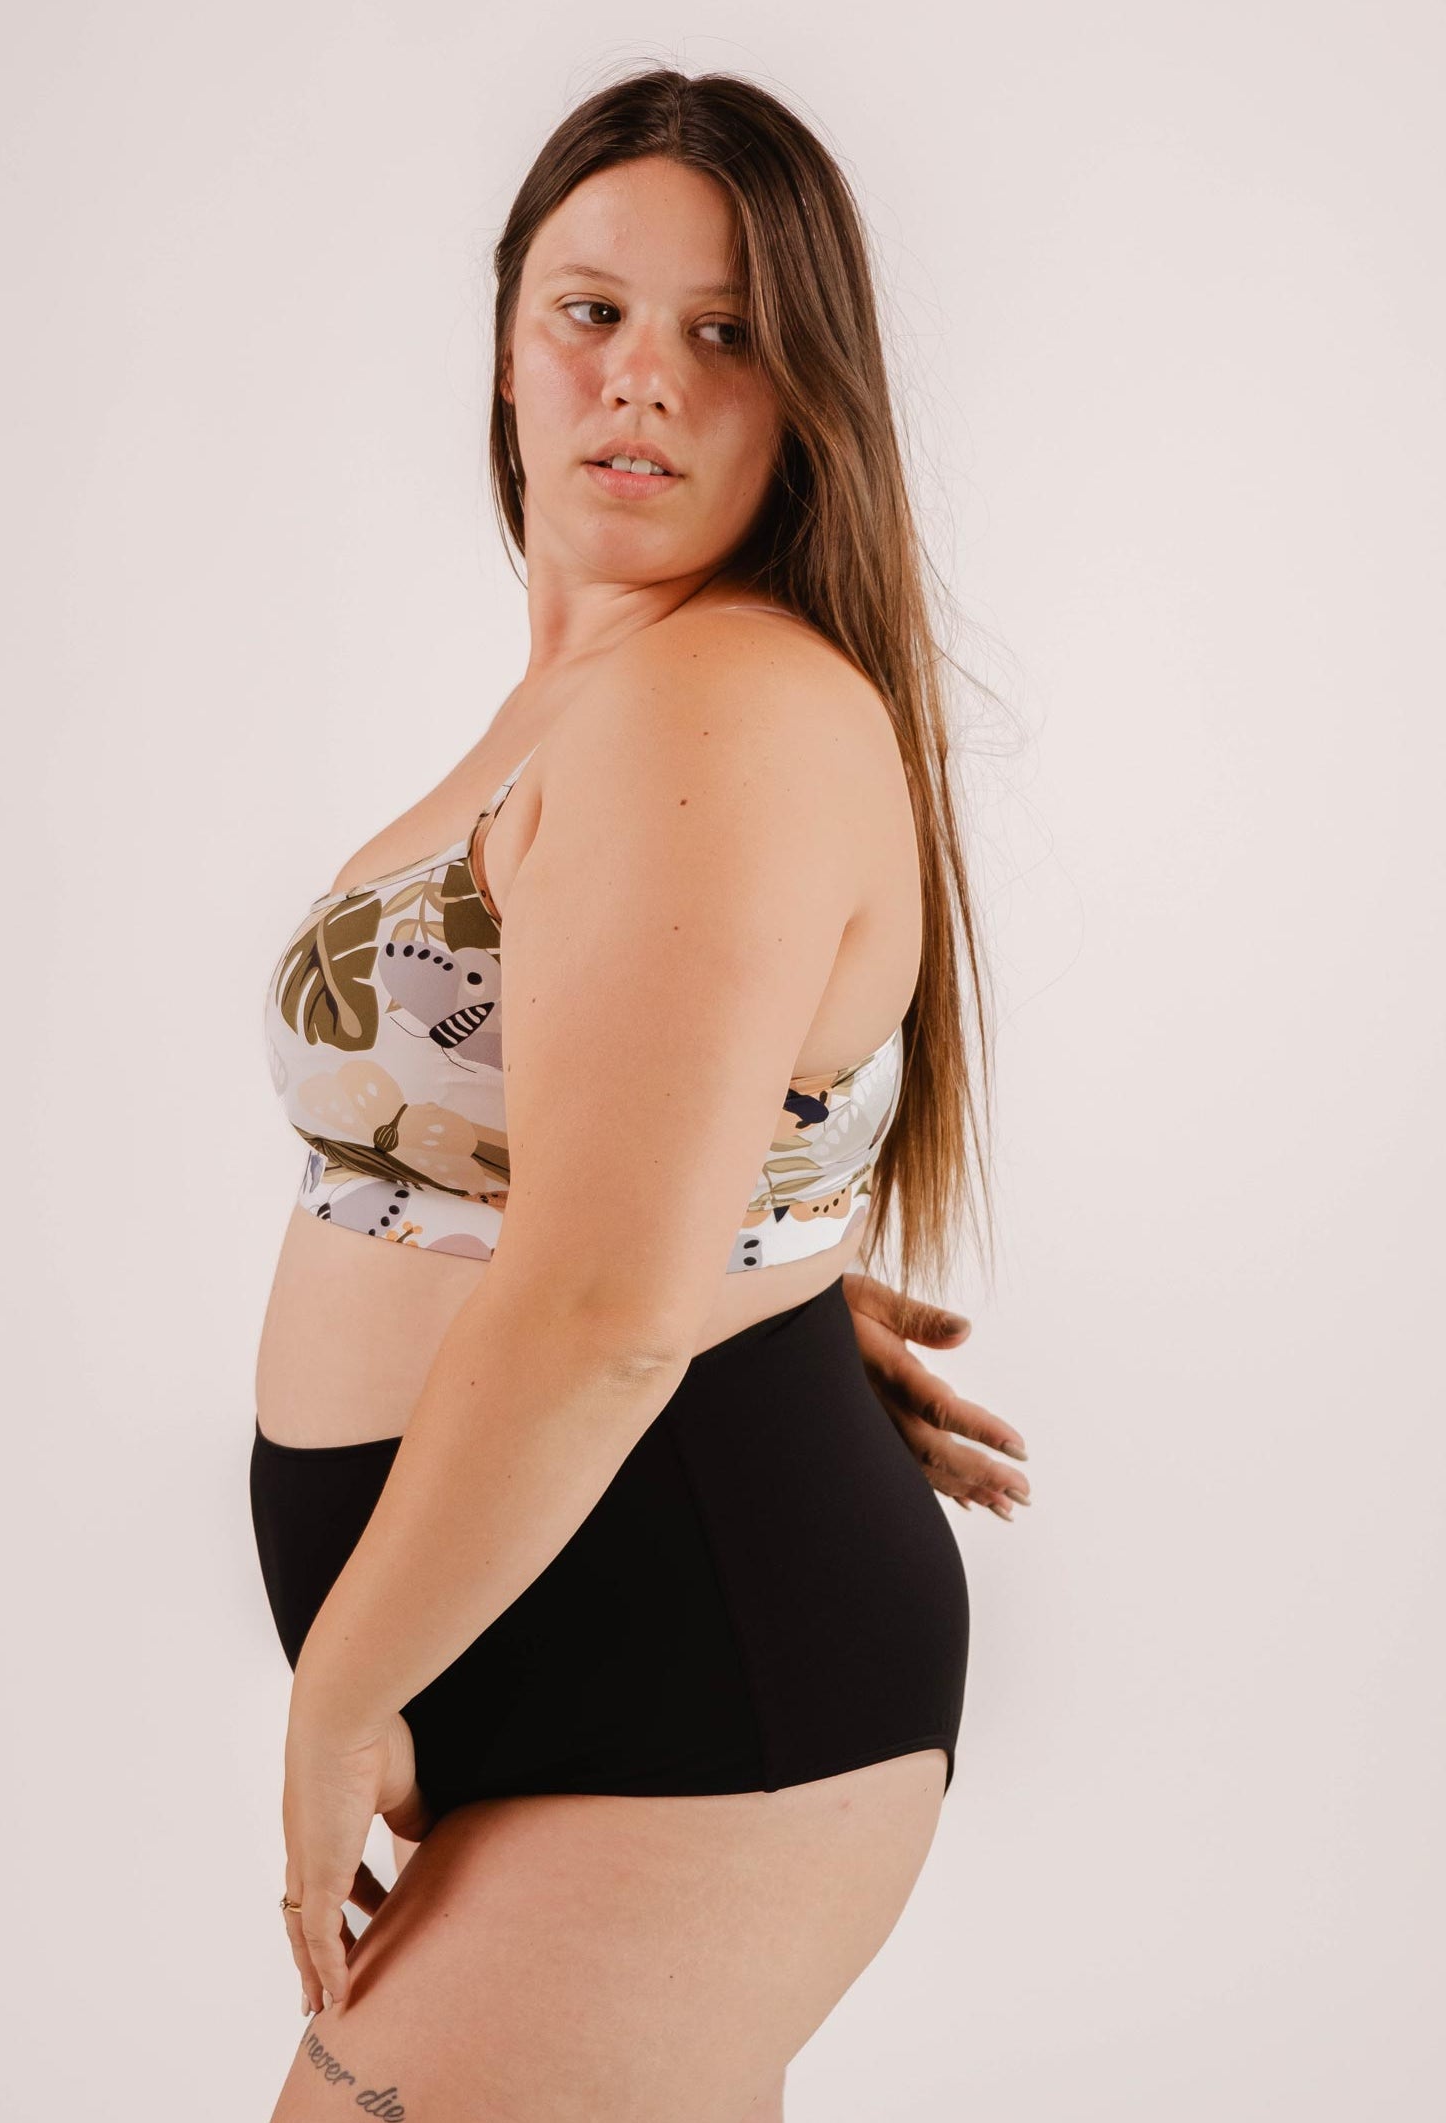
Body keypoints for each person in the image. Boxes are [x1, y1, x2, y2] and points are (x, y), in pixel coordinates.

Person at [250, 65, 1030, 2123]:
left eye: (725, 333)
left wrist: (338, 1699)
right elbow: (603, 1174)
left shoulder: (722, 700)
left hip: (696, 1685)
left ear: (805, 395)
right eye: (588, 313)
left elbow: (600, 1311)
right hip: (602, 1625)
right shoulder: (593, 692)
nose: (642, 384)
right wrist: (756, 1270)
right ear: (505, 340)